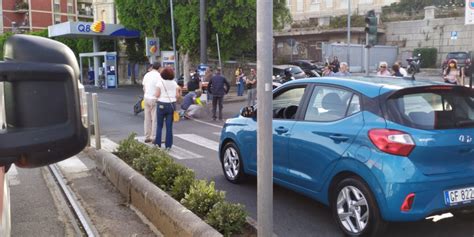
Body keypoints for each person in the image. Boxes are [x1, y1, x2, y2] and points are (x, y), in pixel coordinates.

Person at [154, 66, 181, 150]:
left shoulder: (160, 83)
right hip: (171, 105)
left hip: (161, 104)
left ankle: (157, 143)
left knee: (159, 125)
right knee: (169, 126)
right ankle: (168, 145)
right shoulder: (174, 83)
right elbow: (177, 95)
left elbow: (157, 95)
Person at [142, 62, 162, 143]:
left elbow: (144, 87)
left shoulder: (147, 75)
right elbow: (160, 88)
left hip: (146, 98)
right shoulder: (159, 76)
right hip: (155, 99)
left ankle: (147, 136)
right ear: (159, 68)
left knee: (147, 118)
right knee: (155, 119)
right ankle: (153, 137)